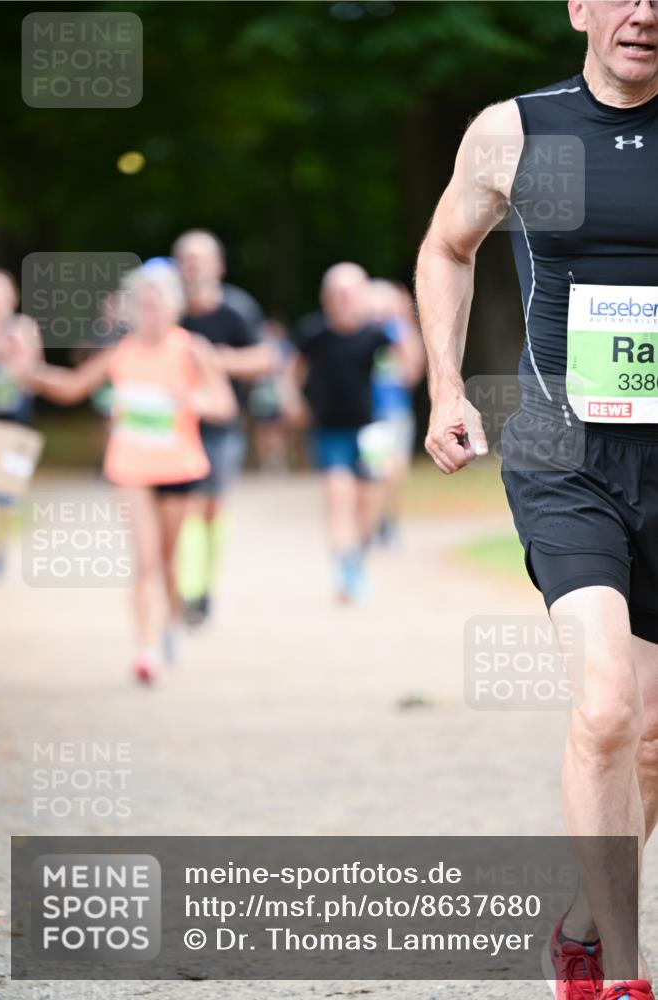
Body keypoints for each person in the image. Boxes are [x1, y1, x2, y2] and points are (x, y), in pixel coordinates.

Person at [415, 1, 657, 997]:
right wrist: (444, 384)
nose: (644, 12)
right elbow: (445, 249)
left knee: (649, 740)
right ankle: (622, 970)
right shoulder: (519, 129)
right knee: (606, 706)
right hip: (565, 450)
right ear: (579, 8)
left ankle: (578, 924)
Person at [24, 260, 237, 684]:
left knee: (167, 562)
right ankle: (145, 650)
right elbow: (71, 387)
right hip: (131, 468)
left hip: (179, 466)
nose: (149, 312)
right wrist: (28, 372)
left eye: (156, 303)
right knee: (143, 564)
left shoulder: (192, 349)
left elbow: (224, 405)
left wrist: (190, 400)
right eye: (141, 304)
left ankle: (170, 620)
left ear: (172, 306)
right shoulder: (121, 351)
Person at [291, 263, 409, 602]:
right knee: (338, 495)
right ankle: (344, 565)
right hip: (330, 430)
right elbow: (293, 370)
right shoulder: (313, 333)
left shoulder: (378, 335)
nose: (343, 300)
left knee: (368, 502)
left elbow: (407, 368)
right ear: (326, 298)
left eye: (350, 293)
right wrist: (294, 400)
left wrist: (401, 322)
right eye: (337, 294)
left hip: (370, 430)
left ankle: (358, 556)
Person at [171, 230, 272, 626]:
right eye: (186, 258)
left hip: (223, 425)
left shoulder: (237, 309)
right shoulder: (167, 310)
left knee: (212, 507)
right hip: (175, 426)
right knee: (189, 504)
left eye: (200, 258)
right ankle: (190, 591)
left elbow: (263, 359)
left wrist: (213, 361)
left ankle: (204, 586)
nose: (193, 265)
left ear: (219, 266)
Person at [0, 270, 43, 579]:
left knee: (8, 495)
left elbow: (31, 371)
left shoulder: (24, 328)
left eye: (0, 295)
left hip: (18, 427)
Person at [367, 279, 425, 545]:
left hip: (394, 411)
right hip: (367, 413)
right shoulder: (360, 332)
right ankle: (372, 522)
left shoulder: (399, 331)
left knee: (394, 470)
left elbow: (412, 372)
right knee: (372, 469)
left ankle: (387, 521)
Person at [247, 319, 297, 473]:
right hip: (261, 395)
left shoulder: (286, 348)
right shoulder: (257, 347)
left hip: (278, 394)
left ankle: (277, 461)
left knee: (278, 430)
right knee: (262, 431)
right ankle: (266, 463)